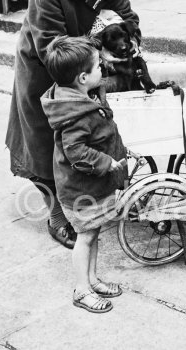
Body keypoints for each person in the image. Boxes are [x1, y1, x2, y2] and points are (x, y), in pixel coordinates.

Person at [6, 0, 140, 249]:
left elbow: (126, 14)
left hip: (83, 67)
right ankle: (56, 214)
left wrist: (130, 41)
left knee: (86, 135)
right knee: (45, 140)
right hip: (44, 67)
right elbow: (50, 45)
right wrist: (96, 61)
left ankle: (93, 197)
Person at [41, 36, 127, 313]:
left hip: (92, 186)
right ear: (82, 77)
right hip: (80, 190)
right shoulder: (75, 114)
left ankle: (91, 280)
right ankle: (81, 289)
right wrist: (106, 162)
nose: (102, 69)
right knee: (85, 237)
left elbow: (103, 135)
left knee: (94, 232)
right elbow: (76, 152)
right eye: (98, 66)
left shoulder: (84, 97)